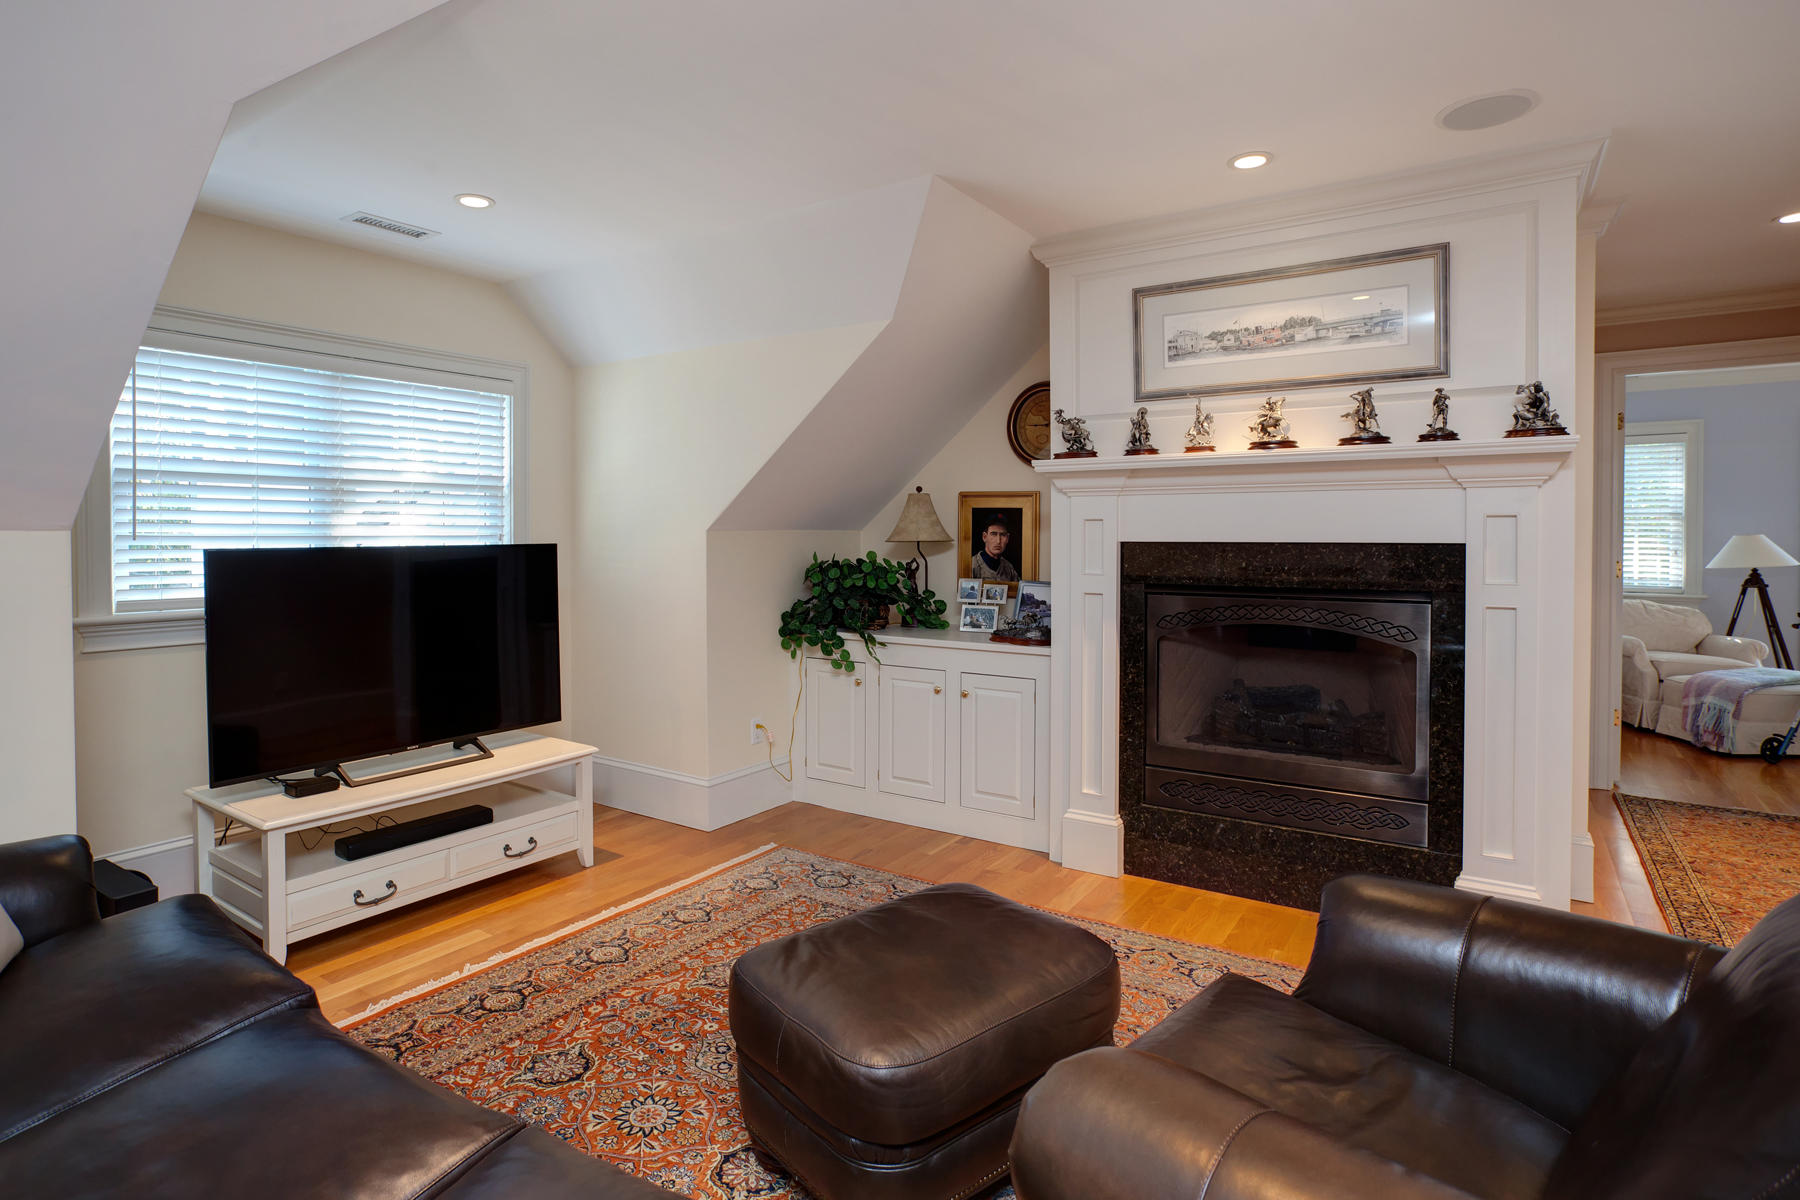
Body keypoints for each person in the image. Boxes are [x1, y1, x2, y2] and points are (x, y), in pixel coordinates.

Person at [970, 514, 1021, 582]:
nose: (998, 541)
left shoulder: (1008, 568)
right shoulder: (972, 565)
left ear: (1007, 538)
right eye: (993, 534)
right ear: (984, 537)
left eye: (1002, 535)